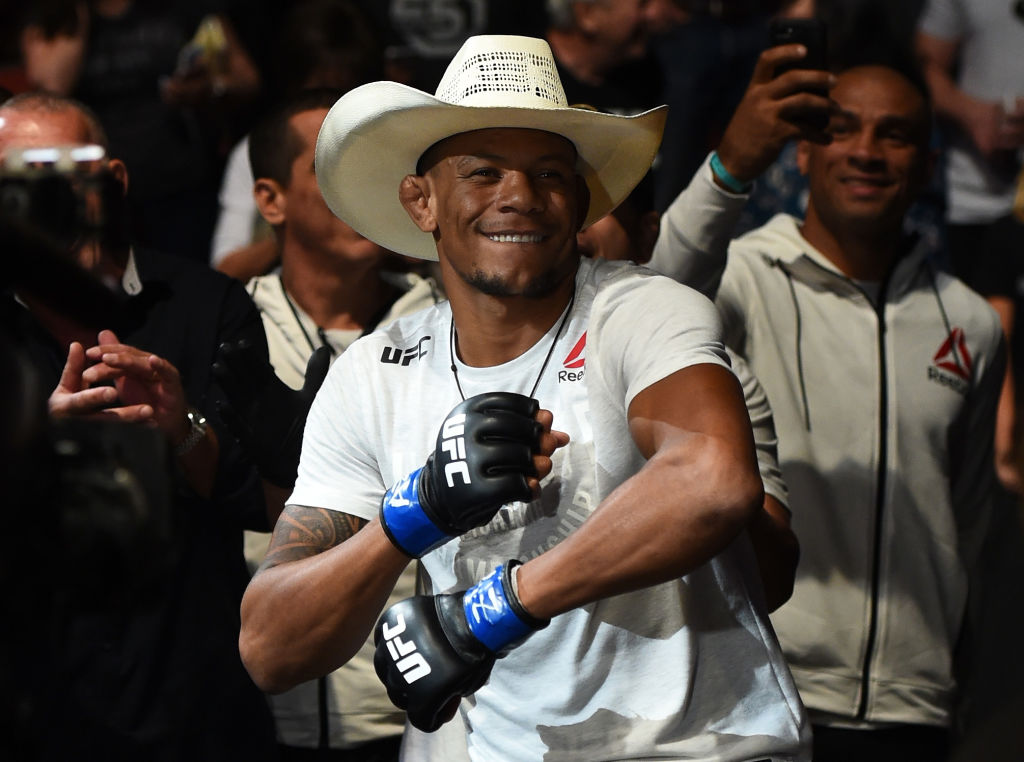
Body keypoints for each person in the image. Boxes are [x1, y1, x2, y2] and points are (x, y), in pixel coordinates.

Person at [239, 34, 810, 761]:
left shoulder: (642, 311)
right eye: (483, 172)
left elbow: (712, 479)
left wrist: (496, 610)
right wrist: (411, 517)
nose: (520, 195)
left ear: (576, 201)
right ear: (422, 201)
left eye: (548, 173)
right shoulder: (375, 370)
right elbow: (269, 646)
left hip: (707, 747)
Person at [651, 48, 1005, 760]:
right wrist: (730, 169)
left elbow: (968, 520)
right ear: (805, 153)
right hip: (761, 691)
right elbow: (647, 306)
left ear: (928, 165)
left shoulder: (970, 322)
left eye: (894, 134)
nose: (867, 152)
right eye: (842, 129)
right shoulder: (741, 279)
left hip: (915, 706)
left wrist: (958, 676)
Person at [0, 91, 277, 760]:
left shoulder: (208, 302)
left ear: (113, 182)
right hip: (34, 712)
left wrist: (181, 427)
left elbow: (262, 497)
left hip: (199, 708)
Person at [236, 88, 441, 761]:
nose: (363, 190)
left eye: (376, 167)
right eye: (333, 169)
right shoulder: (229, 330)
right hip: (269, 713)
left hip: (445, 707)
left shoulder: (451, 321)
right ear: (270, 201)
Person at [916, 0, 1024, 494]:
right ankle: (993, 469)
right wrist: (972, 112)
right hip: (975, 202)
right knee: (984, 336)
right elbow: (924, 61)